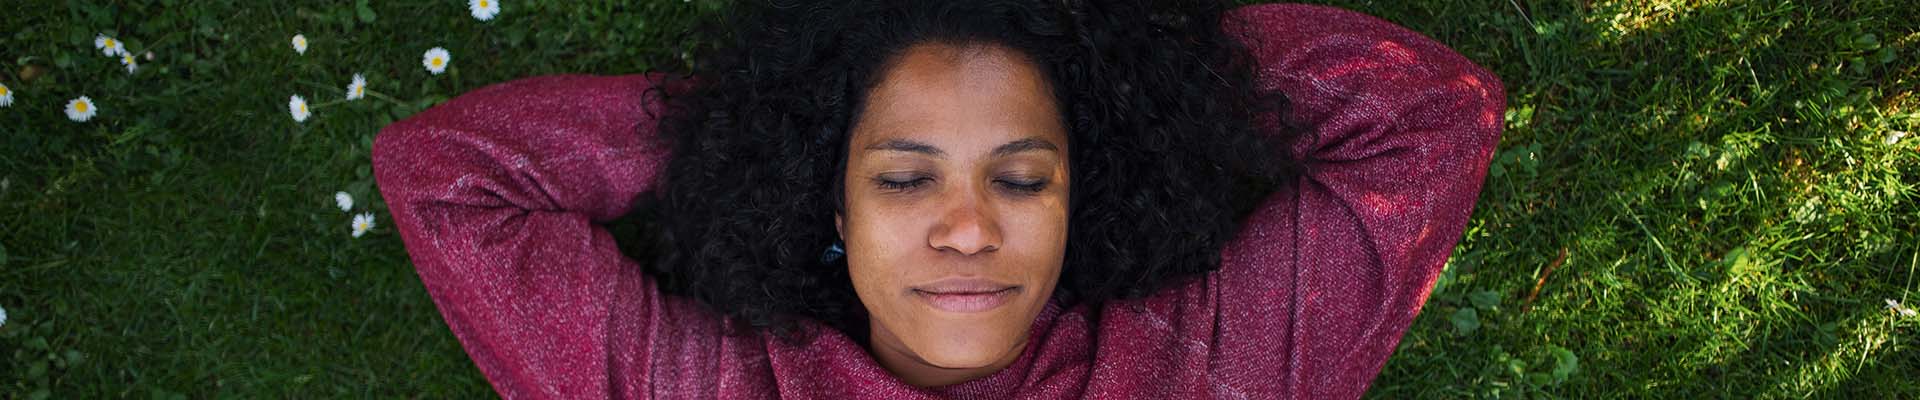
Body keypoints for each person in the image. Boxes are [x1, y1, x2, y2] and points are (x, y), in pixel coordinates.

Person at [373, 1, 1503, 398]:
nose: (967, 229)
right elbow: (450, 175)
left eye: (1022, 176)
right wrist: (759, 130)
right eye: (903, 176)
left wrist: (1146, 79)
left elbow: (1431, 118)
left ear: (1077, 202)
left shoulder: (1212, 365)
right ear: (834, 205)